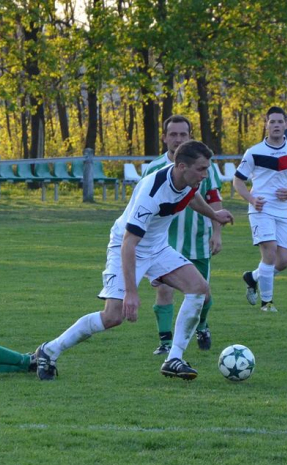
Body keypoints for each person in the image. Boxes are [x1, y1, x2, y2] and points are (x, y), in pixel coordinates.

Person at [34, 141, 234, 381]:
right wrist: (131, 292)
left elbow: (192, 198)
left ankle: (173, 358)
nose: (205, 174)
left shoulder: (188, 181)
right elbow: (129, 243)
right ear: (181, 166)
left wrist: (214, 214)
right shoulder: (152, 192)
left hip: (157, 247)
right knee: (113, 316)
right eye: (201, 169)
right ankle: (49, 350)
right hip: (127, 247)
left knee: (199, 288)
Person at [143, 115, 223, 355]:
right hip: (164, 242)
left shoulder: (204, 166)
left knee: (203, 291)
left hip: (197, 240)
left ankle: (202, 326)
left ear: (190, 136)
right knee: (164, 289)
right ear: (165, 137)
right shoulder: (153, 168)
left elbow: (213, 199)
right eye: (173, 134)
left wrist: (217, 232)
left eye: (183, 134)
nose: (178, 139)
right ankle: (166, 343)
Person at [233, 106, 287, 312]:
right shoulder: (254, 152)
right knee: (270, 252)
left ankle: (252, 277)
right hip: (261, 208)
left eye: (280, 121)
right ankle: (267, 303)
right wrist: (251, 198)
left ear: (286, 124)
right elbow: (237, 181)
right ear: (266, 124)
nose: (276, 125)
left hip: (283, 210)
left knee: (283, 261)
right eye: (272, 121)